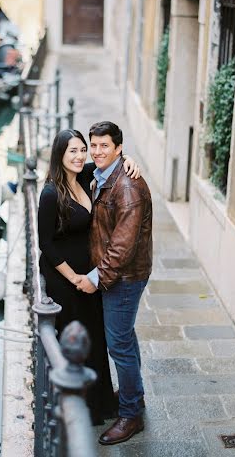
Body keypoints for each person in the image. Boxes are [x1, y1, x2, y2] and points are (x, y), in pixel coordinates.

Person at [37, 128, 140, 426]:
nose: (81, 155)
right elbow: (46, 245)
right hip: (66, 280)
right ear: (60, 154)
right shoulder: (50, 194)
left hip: (90, 277)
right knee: (76, 341)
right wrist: (74, 278)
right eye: (74, 150)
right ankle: (79, 411)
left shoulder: (84, 177)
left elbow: (112, 161)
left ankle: (103, 404)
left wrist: (130, 159)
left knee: (95, 339)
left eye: (83, 149)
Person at [76, 121, 152, 446]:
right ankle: (135, 395)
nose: (97, 152)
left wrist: (97, 278)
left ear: (118, 148)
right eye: (93, 145)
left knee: (118, 343)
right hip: (121, 273)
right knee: (124, 338)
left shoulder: (127, 188)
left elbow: (122, 247)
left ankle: (131, 414)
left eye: (104, 146)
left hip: (124, 276)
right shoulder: (104, 174)